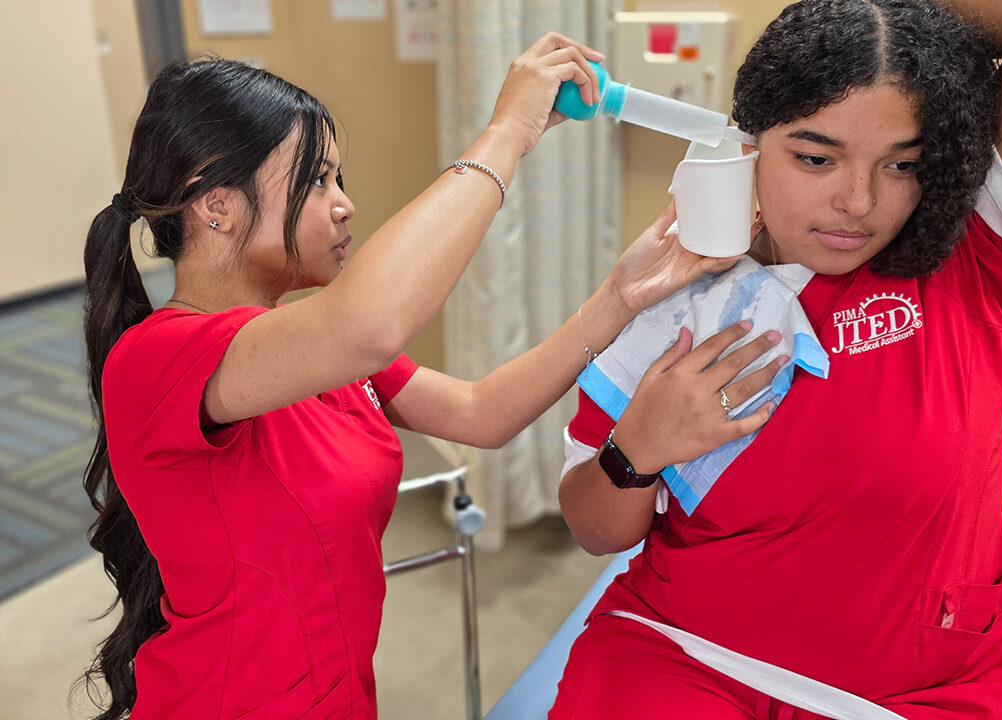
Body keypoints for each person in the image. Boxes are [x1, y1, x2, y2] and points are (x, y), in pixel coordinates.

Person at [79, 34, 780, 720]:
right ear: (217, 204)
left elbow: (482, 413)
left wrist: (620, 297)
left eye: (339, 180)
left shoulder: (312, 351)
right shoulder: (157, 359)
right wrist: (508, 131)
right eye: (317, 180)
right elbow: (369, 325)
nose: (344, 203)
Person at [553, 0, 1002, 717]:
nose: (857, 202)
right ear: (750, 141)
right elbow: (593, 529)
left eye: (902, 164)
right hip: (684, 653)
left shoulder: (976, 263)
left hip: (928, 690)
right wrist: (637, 446)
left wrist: (882, 25)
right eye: (815, 157)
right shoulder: (674, 298)